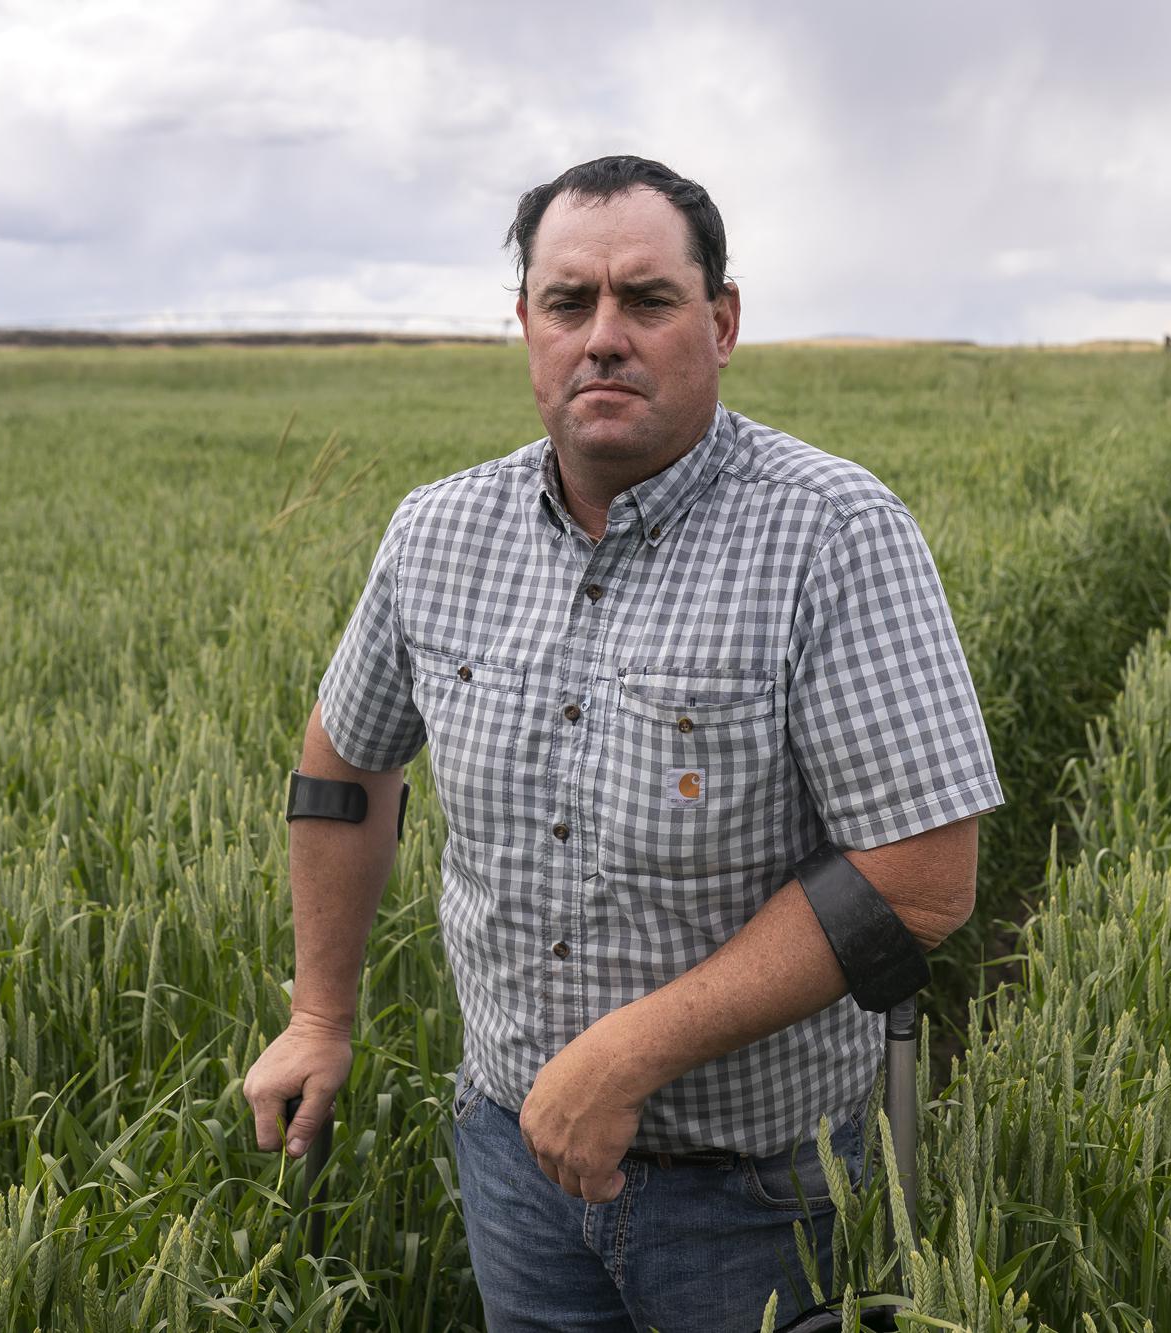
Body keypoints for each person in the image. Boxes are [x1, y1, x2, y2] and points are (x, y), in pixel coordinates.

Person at [241, 155, 1003, 1331]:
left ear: (722, 320)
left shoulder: (831, 533)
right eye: (568, 302)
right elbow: (345, 768)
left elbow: (919, 883)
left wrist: (624, 1058)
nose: (603, 336)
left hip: (755, 1194)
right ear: (525, 326)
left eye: (646, 300)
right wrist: (319, 1017)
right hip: (510, 1169)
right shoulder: (438, 532)